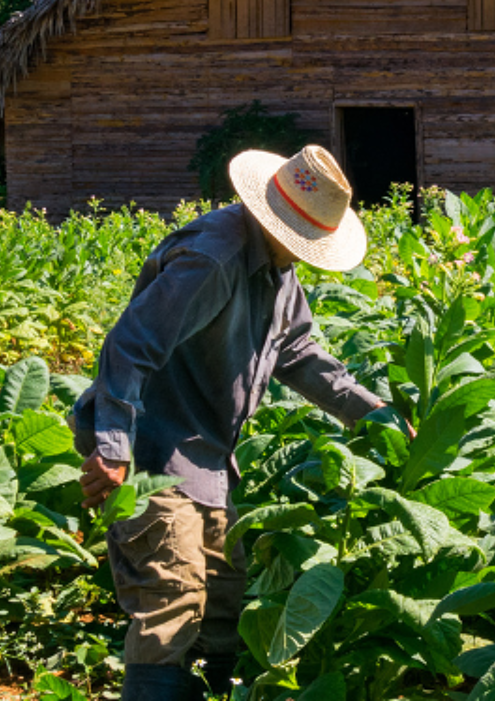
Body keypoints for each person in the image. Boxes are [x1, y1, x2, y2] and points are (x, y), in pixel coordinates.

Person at [71, 144, 404, 701]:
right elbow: (131, 346)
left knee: (224, 599)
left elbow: (297, 351)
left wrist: (373, 415)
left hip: (206, 457)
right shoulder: (213, 258)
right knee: (173, 598)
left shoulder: (276, 267)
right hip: (151, 447)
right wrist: (112, 446)